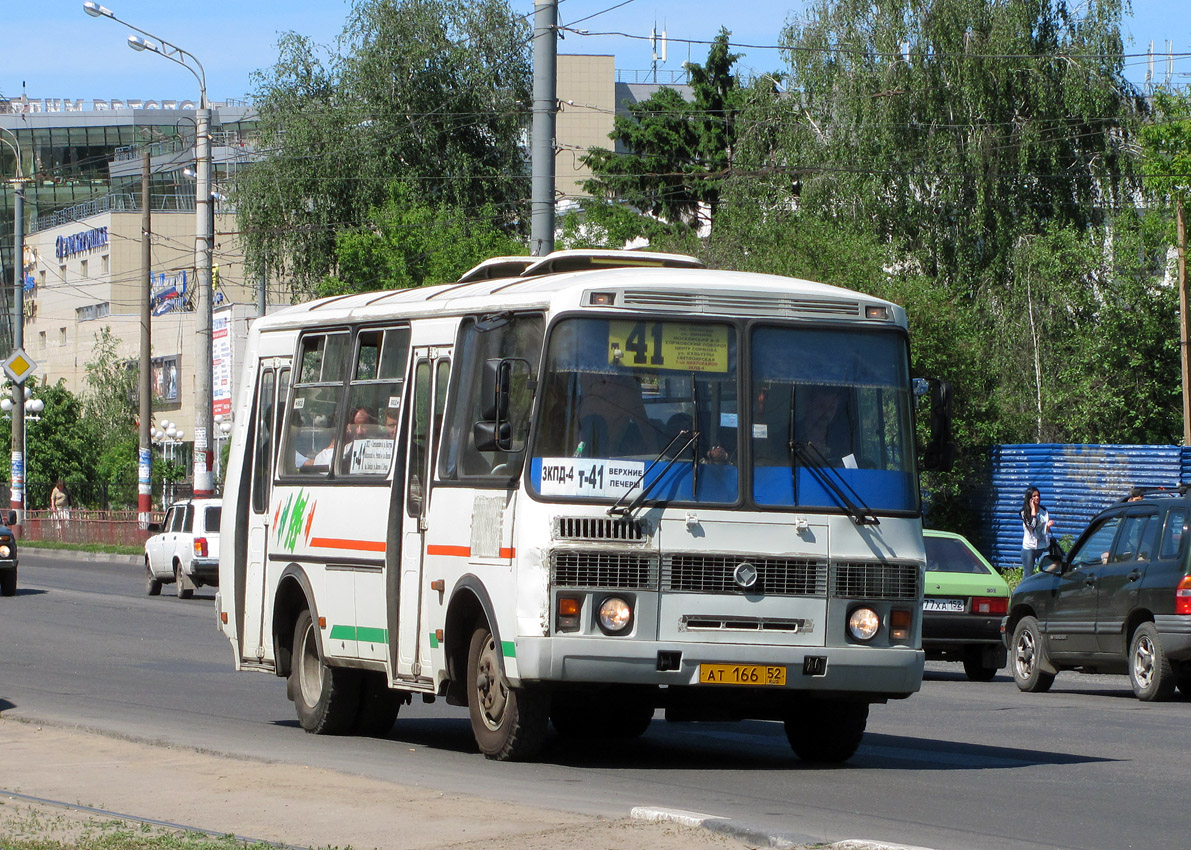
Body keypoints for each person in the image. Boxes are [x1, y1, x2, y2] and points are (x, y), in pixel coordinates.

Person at [1019, 486, 1054, 576]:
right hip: (1029, 547)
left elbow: (1044, 531)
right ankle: (1026, 590)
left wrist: (1048, 526)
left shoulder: (1044, 511)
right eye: (1034, 496)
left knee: (1046, 573)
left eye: (1038, 495)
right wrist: (1033, 511)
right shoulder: (1024, 513)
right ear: (1029, 498)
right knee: (1028, 574)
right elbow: (1032, 526)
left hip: (1043, 546)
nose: (1037, 498)